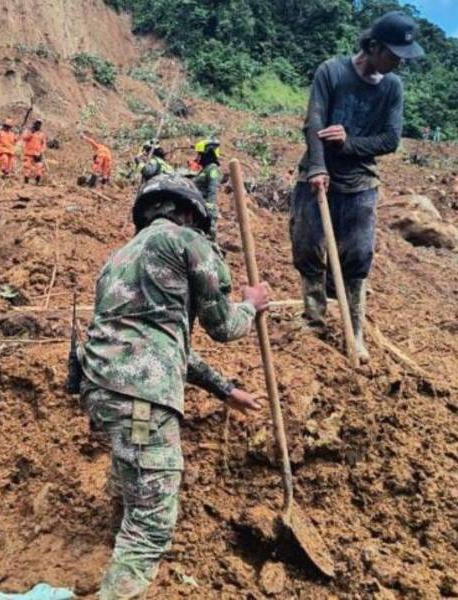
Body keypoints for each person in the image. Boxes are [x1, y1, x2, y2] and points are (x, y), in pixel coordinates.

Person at [78, 174, 268, 600]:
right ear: (189, 213)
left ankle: (116, 538)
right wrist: (250, 306)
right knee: (152, 525)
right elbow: (222, 326)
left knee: (132, 463)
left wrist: (225, 390)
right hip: (140, 398)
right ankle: (122, 580)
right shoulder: (185, 240)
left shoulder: (119, 258)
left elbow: (161, 347)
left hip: (102, 388)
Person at [290, 11, 424, 363]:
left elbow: (391, 140)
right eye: (394, 54)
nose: (398, 63)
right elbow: (314, 122)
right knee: (307, 246)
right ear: (373, 46)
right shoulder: (331, 72)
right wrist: (318, 166)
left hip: (361, 181)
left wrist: (349, 143)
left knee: (358, 256)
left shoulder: (392, 87)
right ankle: (314, 318)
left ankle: (355, 331)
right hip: (317, 173)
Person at [192, 138, 223, 240]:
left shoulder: (212, 169)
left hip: (206, 212)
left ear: (207, 154)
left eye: (200, 154)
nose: (197, 157)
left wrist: (208, 210)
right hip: (199, 209)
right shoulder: (204, 170)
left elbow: (212, 191)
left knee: (207, 240)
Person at [21, 118, 47, 184]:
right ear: (34, 124)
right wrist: (31, 132)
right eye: (37, 123)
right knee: (27, 167)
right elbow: (24, 138)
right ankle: (26, 181)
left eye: (39, 124)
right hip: (28, 153)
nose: (38, 125)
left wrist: (41, 152)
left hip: (37, 154)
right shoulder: (29, 131)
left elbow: (44, 144)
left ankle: (37, 180)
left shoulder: (41, 134)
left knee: (39, 167)